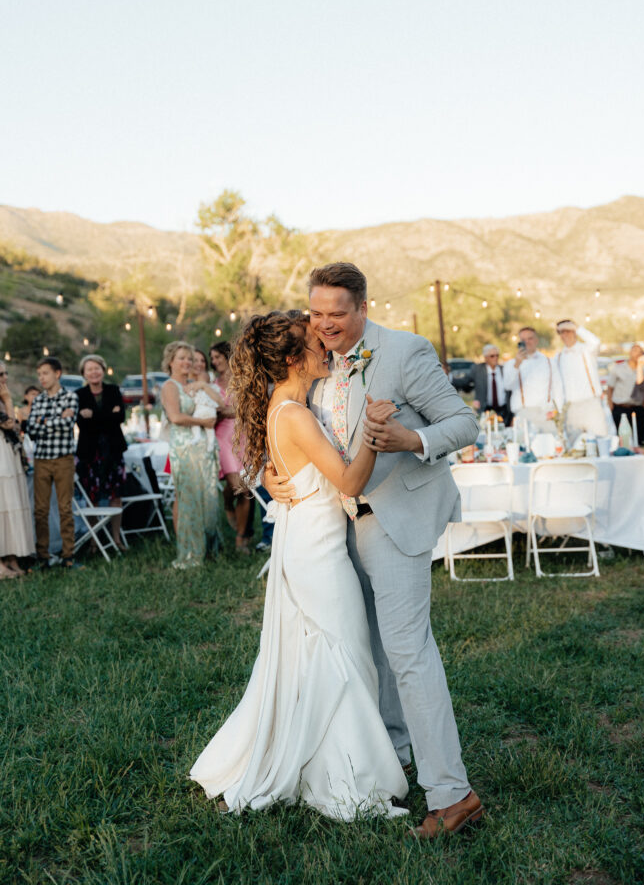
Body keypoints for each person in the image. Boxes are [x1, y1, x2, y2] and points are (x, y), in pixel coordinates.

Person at [268, 263, 483, 839]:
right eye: (316, 313)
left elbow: (464, 424)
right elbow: (292, 424)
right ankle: (394, 754)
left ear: (362, 307)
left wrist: (412, 439)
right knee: (378, 651)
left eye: (337, 313)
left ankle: (452, 794)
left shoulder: (404, 351)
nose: (325, 324)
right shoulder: (315, 361)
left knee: (409, 652)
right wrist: (270, 469)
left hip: (397, 517)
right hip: (340, 526)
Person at [191, 310, 409, 819]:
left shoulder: (285, 403)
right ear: (294, 359)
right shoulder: (295, 414)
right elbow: (350, 482)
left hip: (308, 539)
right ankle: (347, 771)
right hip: (317, 548)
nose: (324, 347)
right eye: (314, 343)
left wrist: (270, 471)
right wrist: (375, 433)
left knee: (329, 651)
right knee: (344, 652)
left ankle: (332, 754)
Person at [160, 341, 227, 569]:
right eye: (181, 358)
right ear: (170, 362)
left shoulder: (194, 384)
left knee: (208, 499)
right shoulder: (170, 386)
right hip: (184, 449)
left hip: (204, 449)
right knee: (188, 501)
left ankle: (209, 550)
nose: (187, 362)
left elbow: (217, 405)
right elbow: (176, 417)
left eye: (189, 358)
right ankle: (190, 552)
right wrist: (202, 422)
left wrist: (203, 388)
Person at [26, 356, 81, 570]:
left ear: (57, 373)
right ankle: (43, 555)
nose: (42, 378)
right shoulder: (38, 400)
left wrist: (44, 421)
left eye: (45, 373)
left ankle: (69, 555)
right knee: (40, 510)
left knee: (65, 508)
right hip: (42, 459)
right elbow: (31, 429)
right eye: (39, 375)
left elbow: (68, 424)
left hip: (64, 459)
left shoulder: (70, 397)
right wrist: (53, 419)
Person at [75, 354, 127, 548]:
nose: (94, 372)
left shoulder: (113, 390)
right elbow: (82, 424)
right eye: (89, 369)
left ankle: (116, 539)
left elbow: (120, 417)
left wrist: (94, 416)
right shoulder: (79, 395)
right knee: (93, 498)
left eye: (97, 368)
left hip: (113, 451)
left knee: (116, 496)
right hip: (90, 453)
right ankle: (94, 542)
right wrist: (107, 416)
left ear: (103, 370)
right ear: (84, 373)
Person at [209, 341, 251, 554]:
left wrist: (231, 411)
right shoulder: (211, 385)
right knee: (237, 485)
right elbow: (211, 412)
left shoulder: (243, 380)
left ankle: (241, 538)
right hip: (223, 437)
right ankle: (227, 505)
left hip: (244, 436)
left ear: (228, 356)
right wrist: (227, 412)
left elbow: (250, 408)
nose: (215, 361)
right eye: (213, 358)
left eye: (218, 356)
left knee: (246, 489)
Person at [0, 360, 34, 578]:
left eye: (5, 373)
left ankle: (11, 556)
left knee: (11, 502)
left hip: (8, 453)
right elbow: (8, 424)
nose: (4, 378)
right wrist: (8, 399)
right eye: (0, 374)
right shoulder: (4, 399)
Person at [552, 320, 609, 438]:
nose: (565, 335)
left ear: (574, 332)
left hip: (591, 403)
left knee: (600, 439)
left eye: (568, 330)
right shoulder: (558, 357)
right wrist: (559, 410)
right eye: (561, 332)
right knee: (575, 445)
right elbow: (557, 386)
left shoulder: (586, 350)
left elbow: (596, 341)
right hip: (570, 408)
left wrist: (577, 328)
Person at [503, 326, 557, 432]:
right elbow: (507, 385)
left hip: (546, 413)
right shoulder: (511, 364)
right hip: (524, 414)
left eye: (530, 338)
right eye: (523, 340)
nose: (527, 342)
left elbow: (557, 387)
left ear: (536, 340)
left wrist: (558, 412)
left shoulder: (549, 362)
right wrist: (517, 364)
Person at [607, 344, 644, 444]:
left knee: (640, 439)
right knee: (623, 439)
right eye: (634, 351)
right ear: (630, 353)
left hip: (638, 408)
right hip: (621, 408)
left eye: (640, 352)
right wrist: (610, 406)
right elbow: (610, 388)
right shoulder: (618, 369)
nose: (637, 354)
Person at [472, 344, 509, 424]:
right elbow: (464, 381)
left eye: (497, 355)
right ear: (486, 357)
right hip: (486, 410)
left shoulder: (504, 369)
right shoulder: (478, 370)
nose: (495, 358)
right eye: (492, 356)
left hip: (503, 410)